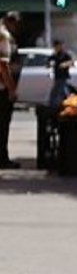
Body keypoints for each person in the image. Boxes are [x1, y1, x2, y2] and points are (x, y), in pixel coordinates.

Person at [0, 12, 20, 169]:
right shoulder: (4, 36)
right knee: (2, 125)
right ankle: (2, 159)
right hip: (1, 89)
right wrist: (12, 89)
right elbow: (3, 65)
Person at [47, 39, 73, 108]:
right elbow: (48, 63)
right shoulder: (54, 55)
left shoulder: (64, 54)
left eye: (58, 46)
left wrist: (65, 64)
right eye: (55, 46)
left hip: (63, 75)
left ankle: (54, 104)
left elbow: (70, 62)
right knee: (61, 91)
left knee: (60, 90)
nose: (57, 47)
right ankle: (64, 103)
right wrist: (50, 64)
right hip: (57, 76)